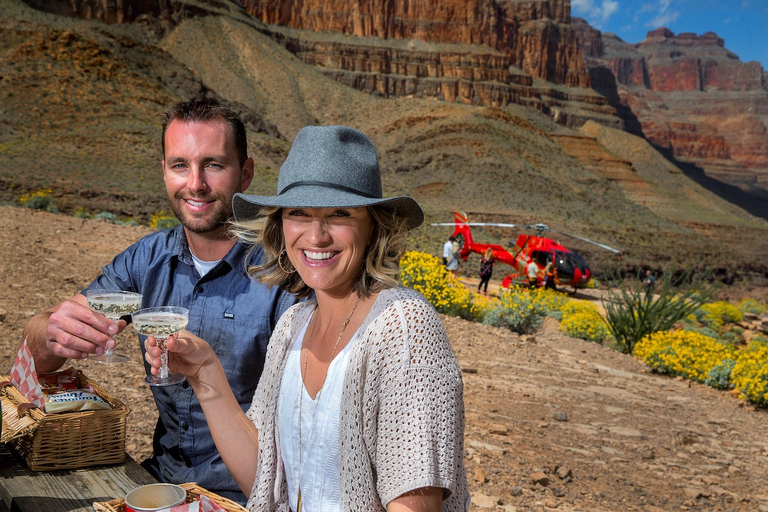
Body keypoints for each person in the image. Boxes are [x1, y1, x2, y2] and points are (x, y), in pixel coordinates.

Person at [145, 125, 469, 511]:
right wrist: (204, 372)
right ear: (281, 225)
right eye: (299, 212)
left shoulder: (404, 326)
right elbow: (264, 479)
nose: (316, 236)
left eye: (339, 214)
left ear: (374, 227)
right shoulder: (294, 325)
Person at [19, 99, 299, 503]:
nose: (196, 183)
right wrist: (52, 334)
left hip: (252, 495)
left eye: (214, 165)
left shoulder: (285, 274)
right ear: (164, 171)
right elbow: (38, 350)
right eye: (180, 165)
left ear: (246, 173)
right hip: (159, 483)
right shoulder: (144, 260)